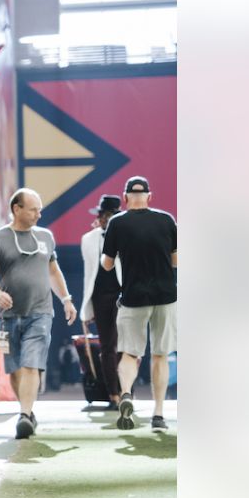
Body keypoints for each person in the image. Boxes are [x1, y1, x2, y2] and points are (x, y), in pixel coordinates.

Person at [0, 188, 77, 439]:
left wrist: (66, 299)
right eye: (33, 209)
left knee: (31, 363)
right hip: (7, 316)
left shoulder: (46, 237)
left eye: (39, 209)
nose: (39, 214)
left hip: (40, 312)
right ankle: (26, 411)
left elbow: (54, 272)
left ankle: (25, 415)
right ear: (17, 209)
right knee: (14, 369)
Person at [101, 176, 177, 432]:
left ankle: (125, 393)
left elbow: (107, 264)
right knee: (160, 355)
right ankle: (158, 415)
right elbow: (176, 260)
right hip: (165, 296)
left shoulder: (117, 223)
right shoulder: (166, 220)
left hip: (133, 297)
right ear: (149, 196)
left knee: (129, 353)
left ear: (125, 198)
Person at [80, 194, 124, 409]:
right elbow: (88, 274)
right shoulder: (88, 239)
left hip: (123, 296)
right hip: (100, 296)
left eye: (109, 215)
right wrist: (85, 308)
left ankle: (126, 390)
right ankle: (113, 395)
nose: (105, 219)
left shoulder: (128, 235)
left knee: (125, 346)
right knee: (107, 346)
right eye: (102, 215)